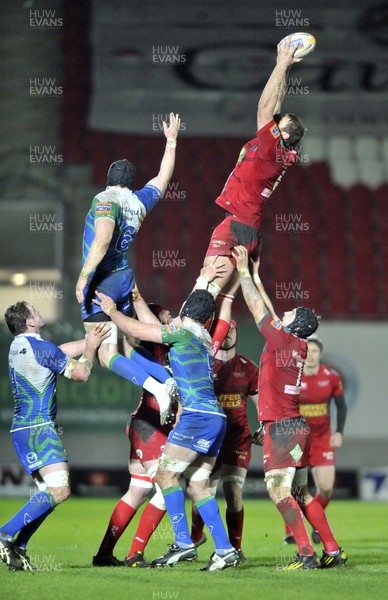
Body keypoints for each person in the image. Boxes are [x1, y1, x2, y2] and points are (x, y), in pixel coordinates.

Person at [94, 282, 241, 572]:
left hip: (196, 416)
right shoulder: (201, 336)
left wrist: (112, 311)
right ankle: (225, 550)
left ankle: (184, 543)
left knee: (165, 475)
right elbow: (150, 330)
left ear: (186, 311)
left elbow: (137, 332)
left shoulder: (182, 332)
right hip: (216, 418)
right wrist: (137, 297)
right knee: (198, 486)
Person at [233, 245, 348, 570]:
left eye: (289, 314)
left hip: (283, 430)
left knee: (277, 490)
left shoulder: (283, 340)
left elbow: (257, 308)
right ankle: (332, 549)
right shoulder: (292, 343)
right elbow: (269, 311)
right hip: (291, 426)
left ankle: (306, 554)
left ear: (295, 325)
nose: (282, 315)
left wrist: (243, 271)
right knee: (301, 494)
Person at [194, 36, 304, 355]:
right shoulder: (282, 147)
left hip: (238, 226)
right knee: (224, 298)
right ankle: (212, 355)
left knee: (206, 286)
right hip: (250, 228)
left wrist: (280, 62)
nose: (270, 123)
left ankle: (186, 349)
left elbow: (265, 107)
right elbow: (276, 105)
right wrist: (285, 71)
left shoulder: (270, 148)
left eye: (275, 125)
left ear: (280, 134)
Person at [75, 113, 181, 424]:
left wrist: (84, 277)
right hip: (124, 278)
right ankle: (165, 377)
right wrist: (171, 142)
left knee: (107, 356)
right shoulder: (138, 201)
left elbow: (103, 236)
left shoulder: (105, 199)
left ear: (108, 178)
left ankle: (158, 389)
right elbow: (162, 179)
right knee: (125, 342)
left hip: (102, 283)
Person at [0, 301, 110, 572]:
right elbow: (82, 373)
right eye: (35, 311)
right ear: (29, 322)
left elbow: (57, 353)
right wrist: (92, 348)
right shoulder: (41, 348)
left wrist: (88, 339)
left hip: (25, 428)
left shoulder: (20, 346)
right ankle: (4, 534)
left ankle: (19, 546)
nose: (39, 311)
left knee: (48, 493)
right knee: (60, 490)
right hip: (39, 428)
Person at [92, 302, 173, 568]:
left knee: (138, 490)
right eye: (167, 316)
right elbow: (131, 340)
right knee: (166, 490)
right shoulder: (149, 349)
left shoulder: (170, 347)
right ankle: (135, 554)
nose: (172, 320)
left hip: (146, 425)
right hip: (149, 427)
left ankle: (104, 554)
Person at [190, 320, 259, 560]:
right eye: (225, 328)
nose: (229, 332)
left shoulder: (248, 367)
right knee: (200, 491)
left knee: (232, 491)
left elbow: (260, 402)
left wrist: (264, 425)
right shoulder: (205, 365)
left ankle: (235, 549)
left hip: (238, 439)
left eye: (233, 328)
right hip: (209, 439)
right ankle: (195, 537)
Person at [284, 336, 347, 544]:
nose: (310, 355)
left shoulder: (331, 377)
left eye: (314, 352)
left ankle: (312, 520)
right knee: (292, 487)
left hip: (321, 440)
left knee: (327, 488)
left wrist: (339, 432)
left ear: (320, 354)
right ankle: (292, 531)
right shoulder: (294, 376)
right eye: (307, 351)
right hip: (297, 441)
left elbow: (341, 406)